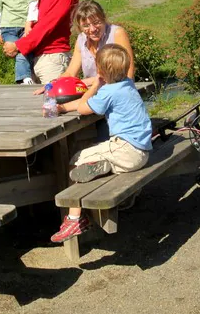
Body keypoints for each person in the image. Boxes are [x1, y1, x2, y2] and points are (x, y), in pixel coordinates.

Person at [49, 44, 152, 243]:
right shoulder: (127, 85)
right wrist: (63, 108)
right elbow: (83, 106)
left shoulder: (108, 92)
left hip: (124, 148)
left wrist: (95, 86)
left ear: (100, 71)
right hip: (141, 153)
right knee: (93, 160)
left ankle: (74, 218)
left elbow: (83, 107)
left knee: (75, 160)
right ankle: (104, 166)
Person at [2, 0, 78, 84]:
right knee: (34, 104)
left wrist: (17, 45)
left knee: (54, 103)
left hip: (53, 58)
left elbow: (45, 26)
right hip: (33, 55)